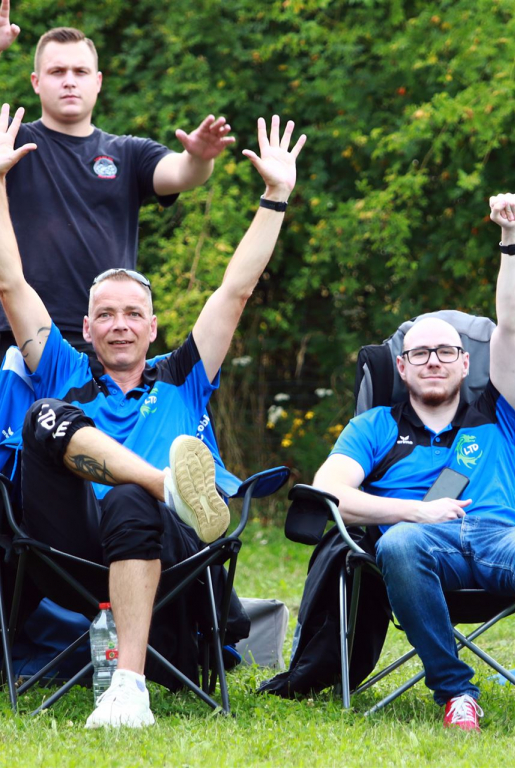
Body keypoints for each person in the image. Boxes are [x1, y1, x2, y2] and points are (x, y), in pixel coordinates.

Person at [0, 102, 305, 728]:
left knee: (131, 502)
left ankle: (128, 688)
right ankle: (168, 485)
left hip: (170, 548)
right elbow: (10, 284)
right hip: (70, 548)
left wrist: (275, 196)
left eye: (133, 314)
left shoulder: (183, 375)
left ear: (153, 326)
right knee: (45, 417)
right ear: (86, 328)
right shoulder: (62, 368)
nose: (120, 325)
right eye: (105, 315)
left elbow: (236, 290)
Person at [312, 193, 515, 738]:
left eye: (446, 352)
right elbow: (328, 492)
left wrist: (512, 240)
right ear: (402, 367)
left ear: (467, 363)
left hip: (500, 539)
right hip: (421, 547)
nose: (433, 361)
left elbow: (512, 326)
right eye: (419, 354)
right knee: (398, 544)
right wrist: (413, 514)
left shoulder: (503, 411)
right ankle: (455, 692)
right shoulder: (375, 426)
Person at [0, 0, 236, 356]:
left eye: (80, 72)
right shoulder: (10, 141)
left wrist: (200, 158)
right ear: (35, 82)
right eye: (57, 71)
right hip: (21, 334)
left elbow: (181, 173)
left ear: (98, 82)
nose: (69, 81)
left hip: (107, 340)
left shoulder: (128, 152)